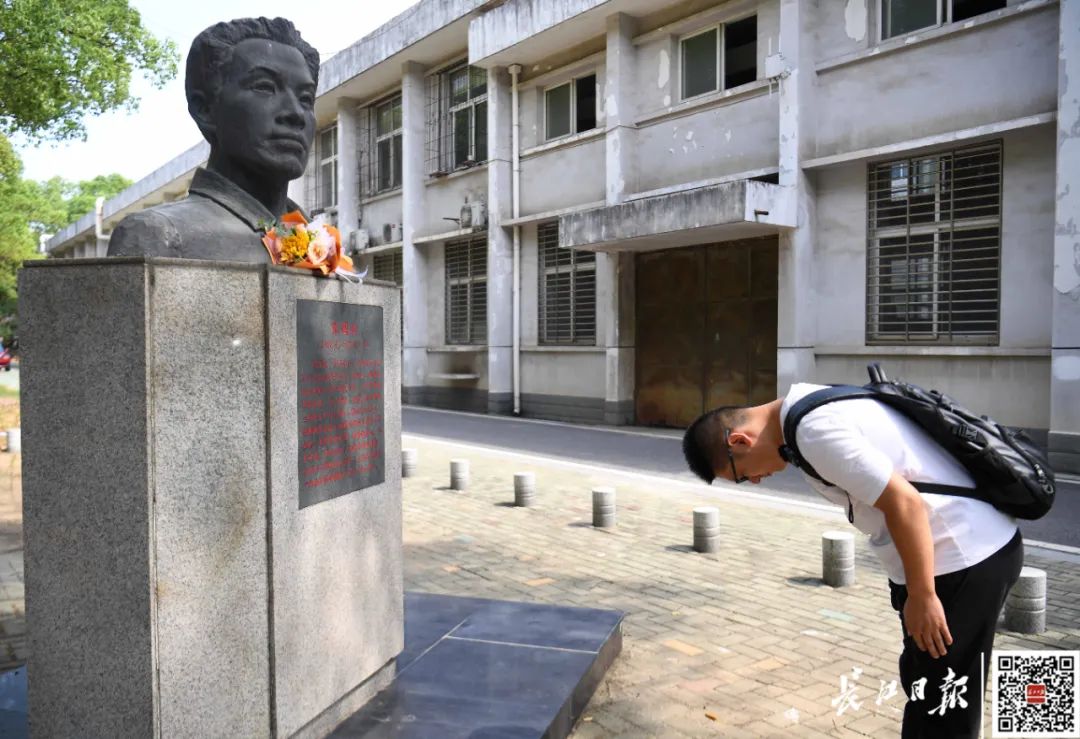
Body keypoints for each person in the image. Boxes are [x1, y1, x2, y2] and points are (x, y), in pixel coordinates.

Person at [682, 385, 1023, 738]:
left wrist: (922, 595)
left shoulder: (813, 432)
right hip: (963, 552)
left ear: (739, 441)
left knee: (942, 713)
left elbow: (904, 503)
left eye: (741, 475)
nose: (755, 480)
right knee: (937, 698)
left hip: (958, 559)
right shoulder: (809, 406)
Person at [108, 17, 319, 261]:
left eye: (306, 99)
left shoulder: (319, 243)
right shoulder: (159, 234)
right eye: (264, 87)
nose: (295, 113)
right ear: (205, 109)